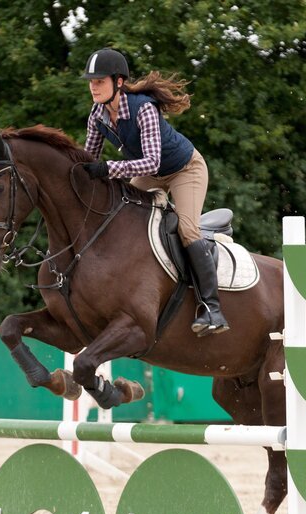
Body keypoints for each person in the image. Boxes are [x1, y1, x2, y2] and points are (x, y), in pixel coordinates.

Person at [80, 48, 229, 336]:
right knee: (118, 217)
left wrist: (108, 168)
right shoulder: (97, 115)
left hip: (184, 169)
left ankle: (212, 308)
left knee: (187, 230)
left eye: (99, 81)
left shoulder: (143, 108)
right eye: (91, 81)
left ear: (118, 82)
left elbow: (151, 161)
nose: (93, 87)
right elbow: (89, 159)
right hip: (150, 175)